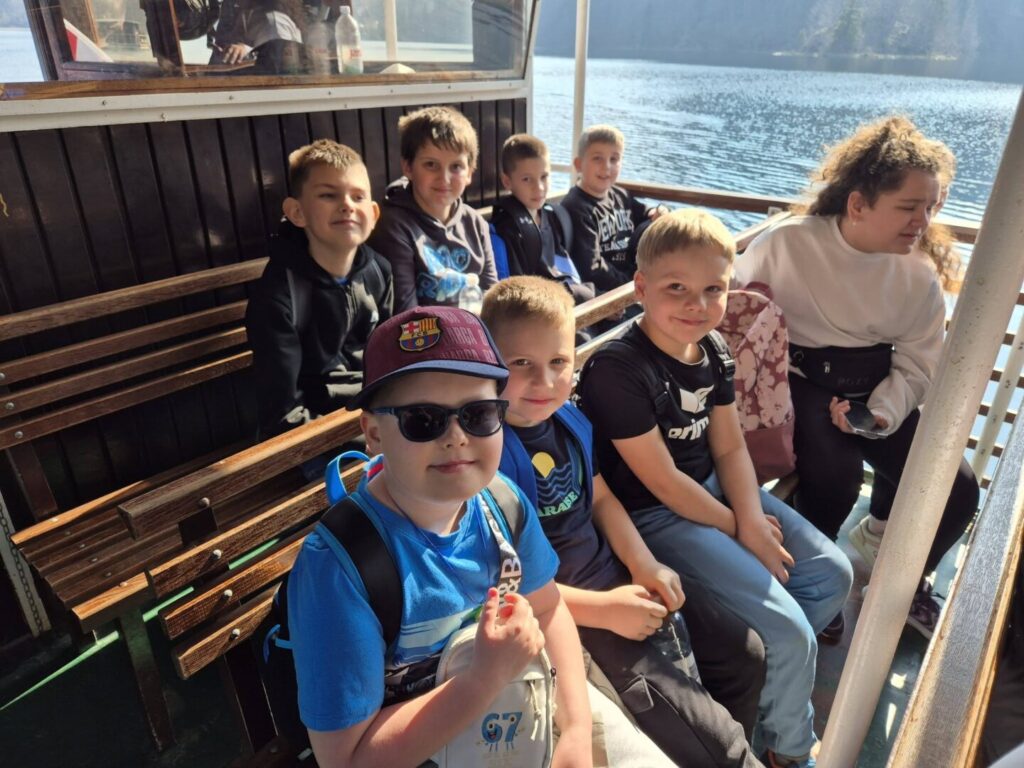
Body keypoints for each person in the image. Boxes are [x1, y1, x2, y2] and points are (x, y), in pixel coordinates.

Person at [287, 304, 676, 768]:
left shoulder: (502, 501)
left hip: (526, 707)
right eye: (423, 420)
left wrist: (574, 728)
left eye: (478, 414)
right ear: (373, 433)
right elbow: (346, 759)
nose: (456, 437)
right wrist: (481, 680)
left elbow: (548, 608)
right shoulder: (341, 567)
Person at [577, 209, 853, 768]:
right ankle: (788, 749)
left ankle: (774, 686)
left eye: (713, 290)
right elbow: (662, 481)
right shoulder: (617, 369)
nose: (697, 305)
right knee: (790, 633)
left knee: (832, 575)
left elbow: (729, 449)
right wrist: (739, 527)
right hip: (655, 514)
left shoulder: (713, 351)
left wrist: (748, 517)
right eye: (676, 288)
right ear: (641, 288)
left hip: (713, 491)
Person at [482, 275, 766, 767]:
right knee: (721, 746)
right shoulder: (487, 456)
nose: (544, 382)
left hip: (615, 579)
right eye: (521, 364)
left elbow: (602, 499)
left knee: (744, 655)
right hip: (568, 618)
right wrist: (606, 610)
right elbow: (502, 584)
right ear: (489, 362)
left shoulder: (570, 421)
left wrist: (643, 563)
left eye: (558, 363)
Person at [735, 116, 979, 640]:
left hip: (875, 386)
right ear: (858, 204)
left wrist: (881, 414)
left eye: (930, 207)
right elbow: (737, 312)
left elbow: (917, 361)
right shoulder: (785, 245)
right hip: (798, 379)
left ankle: (900, 575)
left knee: (958, 489)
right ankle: (812, 580)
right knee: (835, 474)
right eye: (908, 207)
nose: (922, 221)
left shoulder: (918, 275)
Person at [245, 139, 392, 444]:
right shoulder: (279, 297)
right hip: (315, 439)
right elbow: (282, 418)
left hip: (375, 418)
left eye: (358, 196)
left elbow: (392, 363)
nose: (347, 205)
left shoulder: (379, 271)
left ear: (374, 214)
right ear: (296, 212)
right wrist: (372, 439)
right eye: (328, 195)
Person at [367, 106, 498, 311]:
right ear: (408, 167)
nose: (444, 178)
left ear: (470, 173)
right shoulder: (393, 226)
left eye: (456, 167)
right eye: (431, 164)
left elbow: (493, 298)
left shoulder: (475, 223)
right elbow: (406, 312)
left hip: (475, 327)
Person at [561, 125, 667, 293]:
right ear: (579, 164)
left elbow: (647, 213)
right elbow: (593, 268)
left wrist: (658, 212)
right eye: (597, 158)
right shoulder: (576, 207)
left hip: (633, 281)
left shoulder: (620, 195)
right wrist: (632, 284)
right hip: (606, 292)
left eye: (614, 159)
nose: (606, 166)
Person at [490, 134, 595, 305]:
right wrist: (579, 293)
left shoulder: (553, 216)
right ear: (507, 181)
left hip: (567, 297)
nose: (538, 187)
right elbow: (517, 292)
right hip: (539, 309)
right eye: (527, 179)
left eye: (544, 177)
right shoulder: (507, 229)